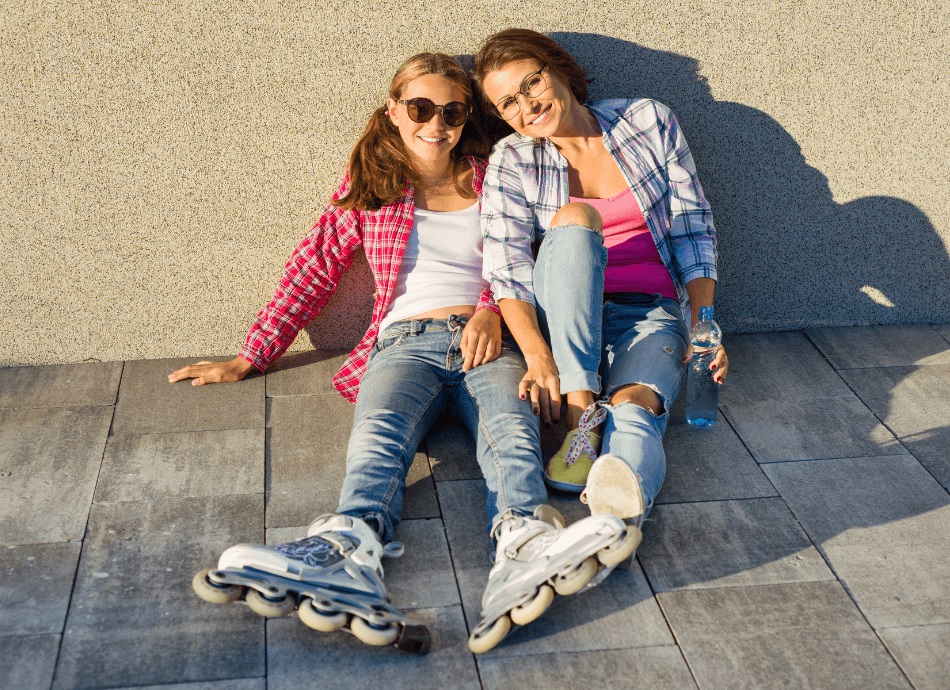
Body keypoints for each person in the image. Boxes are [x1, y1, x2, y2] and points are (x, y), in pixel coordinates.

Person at [172, 52, 635, 656]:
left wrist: (490, 309)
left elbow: (524, 251)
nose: (436, 123)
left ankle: (525, 539)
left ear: (466, 117)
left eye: (452, 112)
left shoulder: (494, 172)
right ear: (393, 110)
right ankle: (345, 548)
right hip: (403, 343)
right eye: (420, 108)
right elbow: (313, 267)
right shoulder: (371, 185)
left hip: (489, 340)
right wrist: (252, 355)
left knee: (510, 430)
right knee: (379, 434)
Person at [473, 30, 729, 534]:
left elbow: (693, 229)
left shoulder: (647, 121)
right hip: (565, 314)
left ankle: (616, 520)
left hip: (650, 311)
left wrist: (704, 326)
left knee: (637, 408)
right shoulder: (512, 160)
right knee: (575, 219)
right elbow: (508, 272)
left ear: (558, 69)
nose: (527, 105)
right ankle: (580, 413)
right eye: (508, 103)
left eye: (531, 83)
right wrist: (538, 356)